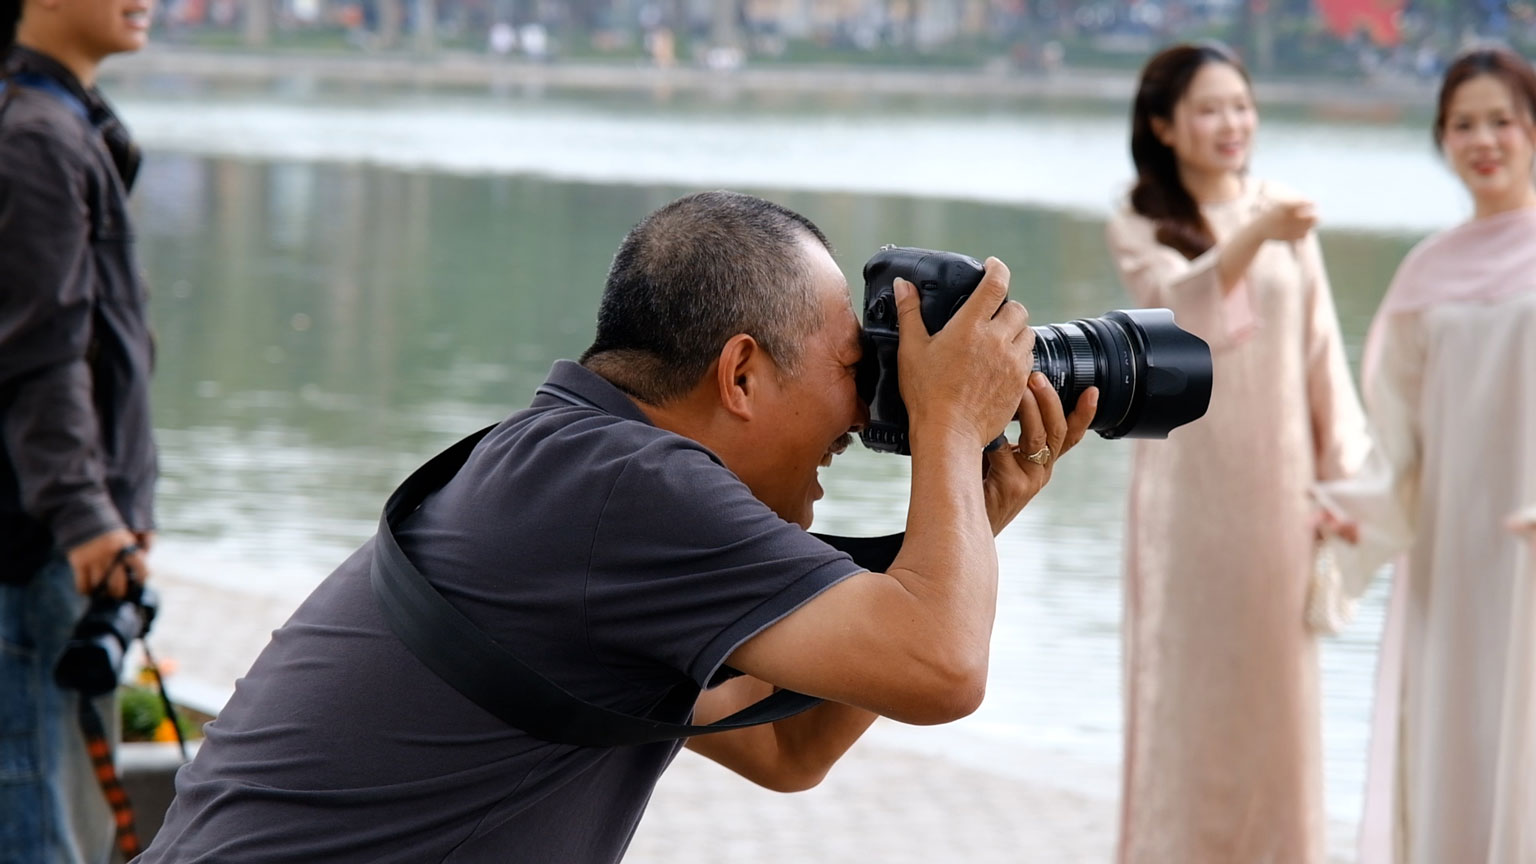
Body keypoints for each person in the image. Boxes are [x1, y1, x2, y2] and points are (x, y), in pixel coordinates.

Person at [136, 190, 1098, 863]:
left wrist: (975, 505)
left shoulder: (568, 470)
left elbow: (784, 750)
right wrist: (946, 421)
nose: (861, 413)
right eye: (853, 370)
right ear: (740, 374)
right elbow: (943, 670)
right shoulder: (624, 487)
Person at [1103, 42, 1372, 864]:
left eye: (1241, 105)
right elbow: (1173, 319)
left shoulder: (1282, 209)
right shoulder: (1139, 217)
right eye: (1210, 109)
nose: (1232, 124)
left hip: (1280, 491)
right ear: (1164, 125)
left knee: (1276, 702)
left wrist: (1346, 486)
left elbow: (1321, 351)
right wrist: (1254, 234)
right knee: (1187, 695)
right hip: (1190, 502)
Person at [1339, 45, 1536, 864]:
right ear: (1442, 140)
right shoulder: (1426, 273)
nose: (1483, 139)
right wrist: (1345, 513)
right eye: (1463, 124)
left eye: (1501, 120)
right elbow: (1396, 447)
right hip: (1455, 556)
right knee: (1458, 742)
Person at [0, 0, 157, 861]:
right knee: (29, 811)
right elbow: (40, 355)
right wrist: (87, 515)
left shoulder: (73, 124)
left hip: (65, 528)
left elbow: (105, 351)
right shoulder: (34, 137)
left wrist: (126, 500)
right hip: (33, 541)